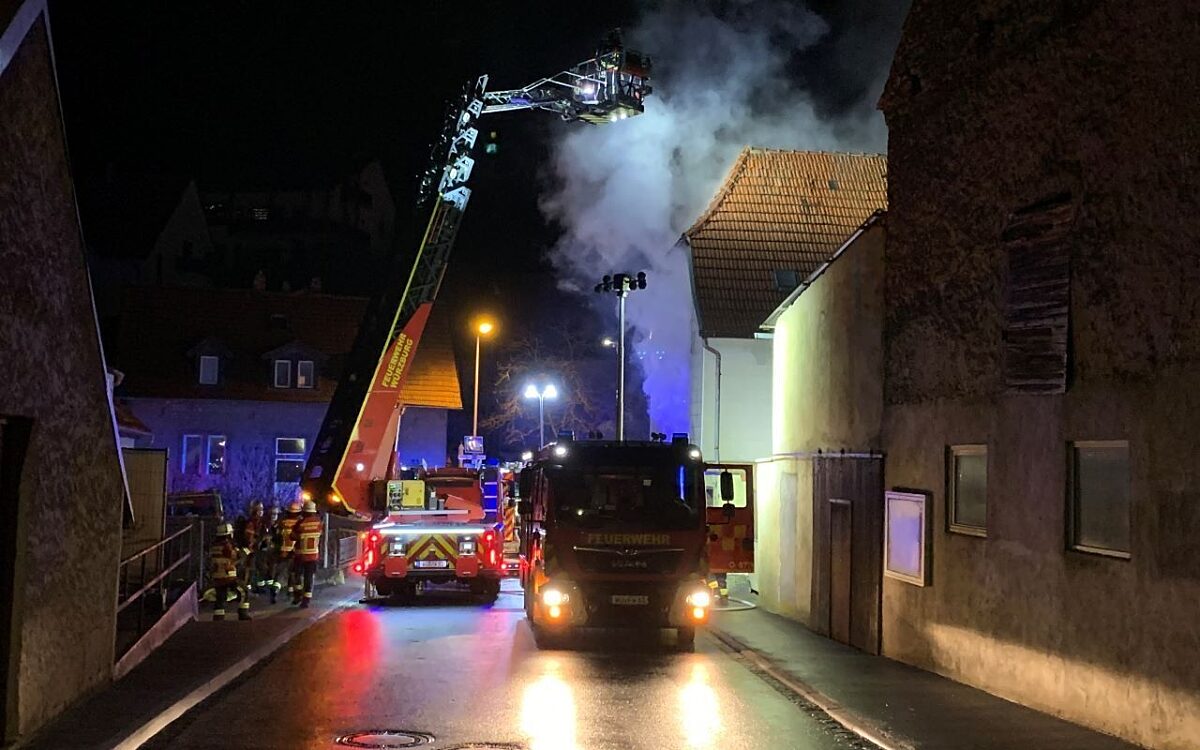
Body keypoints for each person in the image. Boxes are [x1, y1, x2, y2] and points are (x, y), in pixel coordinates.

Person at [209, 523, 250, 620]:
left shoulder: (214, 546)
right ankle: (243, 614)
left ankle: (218, 618)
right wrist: (246, 551)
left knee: (221, 597)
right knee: (244, 590)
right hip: (228, 576)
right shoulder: (227, 545)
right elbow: (235, 556)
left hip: (217, 576)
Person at [292, 500, 324, 608]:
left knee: (297, 575)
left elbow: (292, 536)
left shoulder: (300, 523)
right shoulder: (319, 523)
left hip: (300, 555)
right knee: (309, 577)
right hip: (313, 555)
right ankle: (306, 600)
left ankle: (297, 595)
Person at [274, 500, 303, 605]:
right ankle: (294, 593)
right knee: (294, 573)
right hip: (295, 552)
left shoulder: (283, 522)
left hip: (283, 551)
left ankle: (276, 589)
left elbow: (277, 536)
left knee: (281, 572)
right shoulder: (299, 523)